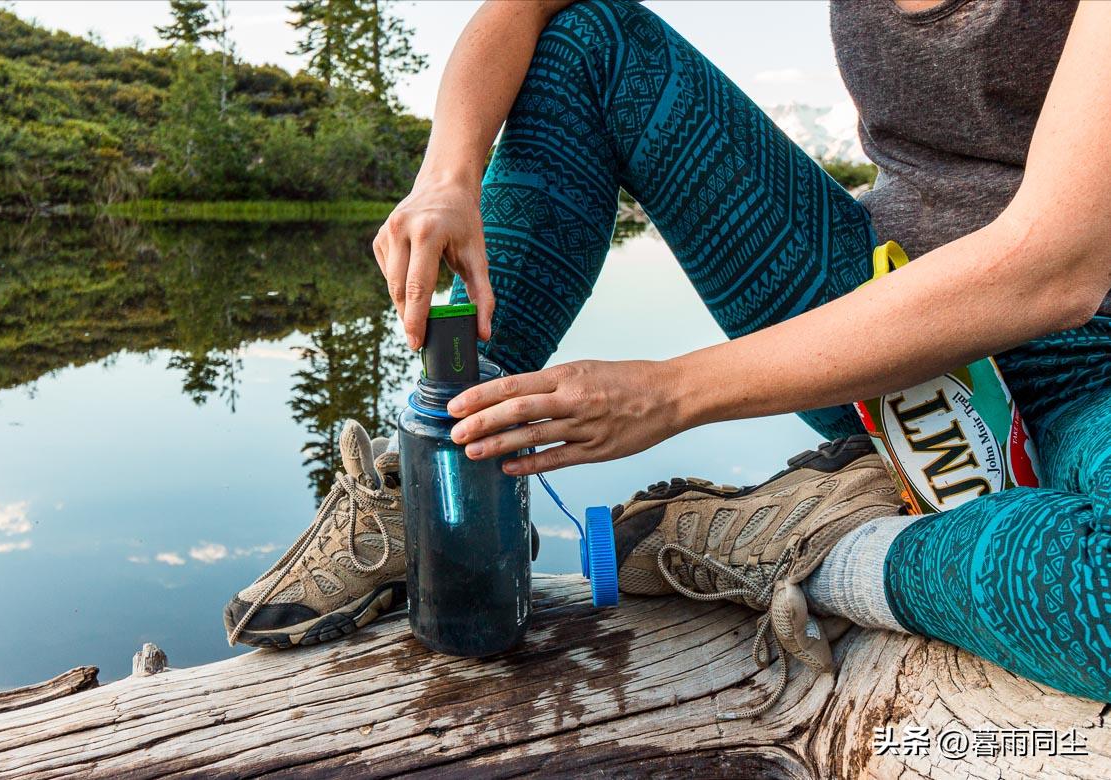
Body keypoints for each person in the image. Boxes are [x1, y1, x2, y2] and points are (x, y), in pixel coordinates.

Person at [225, 0, 1111, 716]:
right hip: (874, 331)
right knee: (590, 40)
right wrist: (447, 176)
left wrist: (671, 393)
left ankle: (815, 544)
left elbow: (1057, 267)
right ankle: (444, 488)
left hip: (1087, 369)